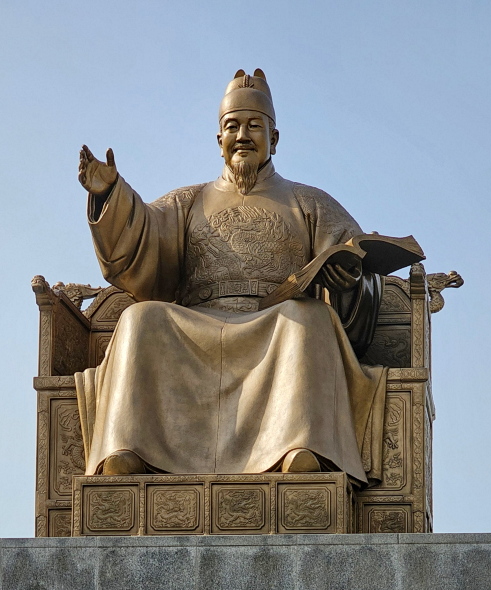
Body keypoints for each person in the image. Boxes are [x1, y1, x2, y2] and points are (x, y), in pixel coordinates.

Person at [75, 69, 387, 484]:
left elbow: (356, 260)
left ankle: (299, 447)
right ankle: (129, 449)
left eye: (254, 126)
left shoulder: (309, 202)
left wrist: (353, 279)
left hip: (275, 324)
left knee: (309, 320)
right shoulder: (188, 201)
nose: (243, 135)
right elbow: (142, 236)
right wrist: (110, 193)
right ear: (218, 140)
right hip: (197, 324)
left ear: (274, 139)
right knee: (140, 319)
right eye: (232, 126)